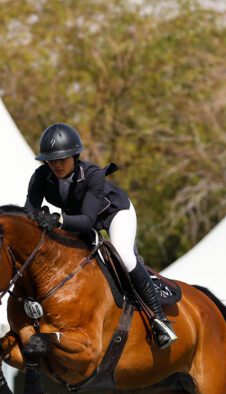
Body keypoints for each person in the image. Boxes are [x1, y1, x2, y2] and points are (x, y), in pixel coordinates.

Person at [25, 123, 177, 349]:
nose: (55, 165)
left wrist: (58, 220)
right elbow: (28, 212)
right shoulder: (40, 176)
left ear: (75, 156)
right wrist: (37, 218)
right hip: (79, 218)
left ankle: (160, 320)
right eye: (50, 160)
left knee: (124, 256)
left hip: (114, 213)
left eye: (61, 159)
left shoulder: (93, 175)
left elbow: (87, 220)